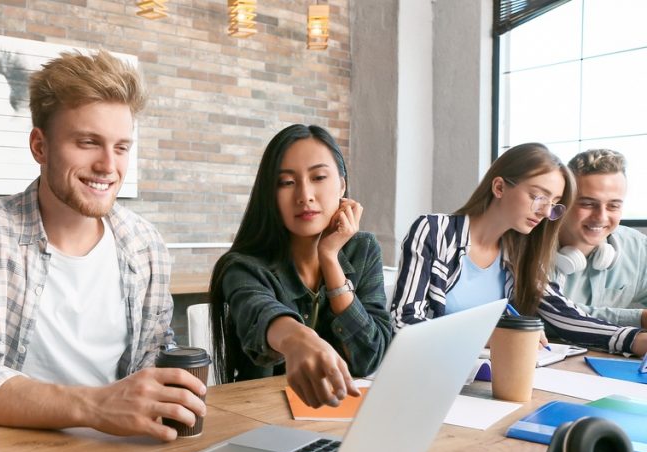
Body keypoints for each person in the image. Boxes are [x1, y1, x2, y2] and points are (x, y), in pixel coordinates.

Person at [0, 50, 204, 442]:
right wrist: (95, 407)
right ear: (40, 147)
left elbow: (150, 361)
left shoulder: (145, 245)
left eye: (121, 147)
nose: (109, 165)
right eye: (89, 142)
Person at [391, 142, 647, 356]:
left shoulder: (519, 252)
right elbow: (404, 321)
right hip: (429, 372)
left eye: (554, 203)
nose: (547, 212)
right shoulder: (435, 231)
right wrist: (485, 336)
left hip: (487, 375)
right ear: (499, 187)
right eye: (539, 197)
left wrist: (634, 340)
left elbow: (565, 315)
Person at [207, 124, 391, 409]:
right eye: (286, 182)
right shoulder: (242, 267)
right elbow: (261, 313)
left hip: (345, 416)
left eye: (318, 177)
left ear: (341, 184)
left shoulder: (362, 250)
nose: (304, 194)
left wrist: (330, 258)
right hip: (262, 418)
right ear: (271, 193)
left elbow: (370, 356)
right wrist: (297, 340)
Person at [553, 148, 647, 328]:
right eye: (588, 204)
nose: (601, 217)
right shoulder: (533, 247)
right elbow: (549, 315)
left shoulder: (637, 247)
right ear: (563, 201)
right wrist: (639, 318)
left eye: (613, 206)